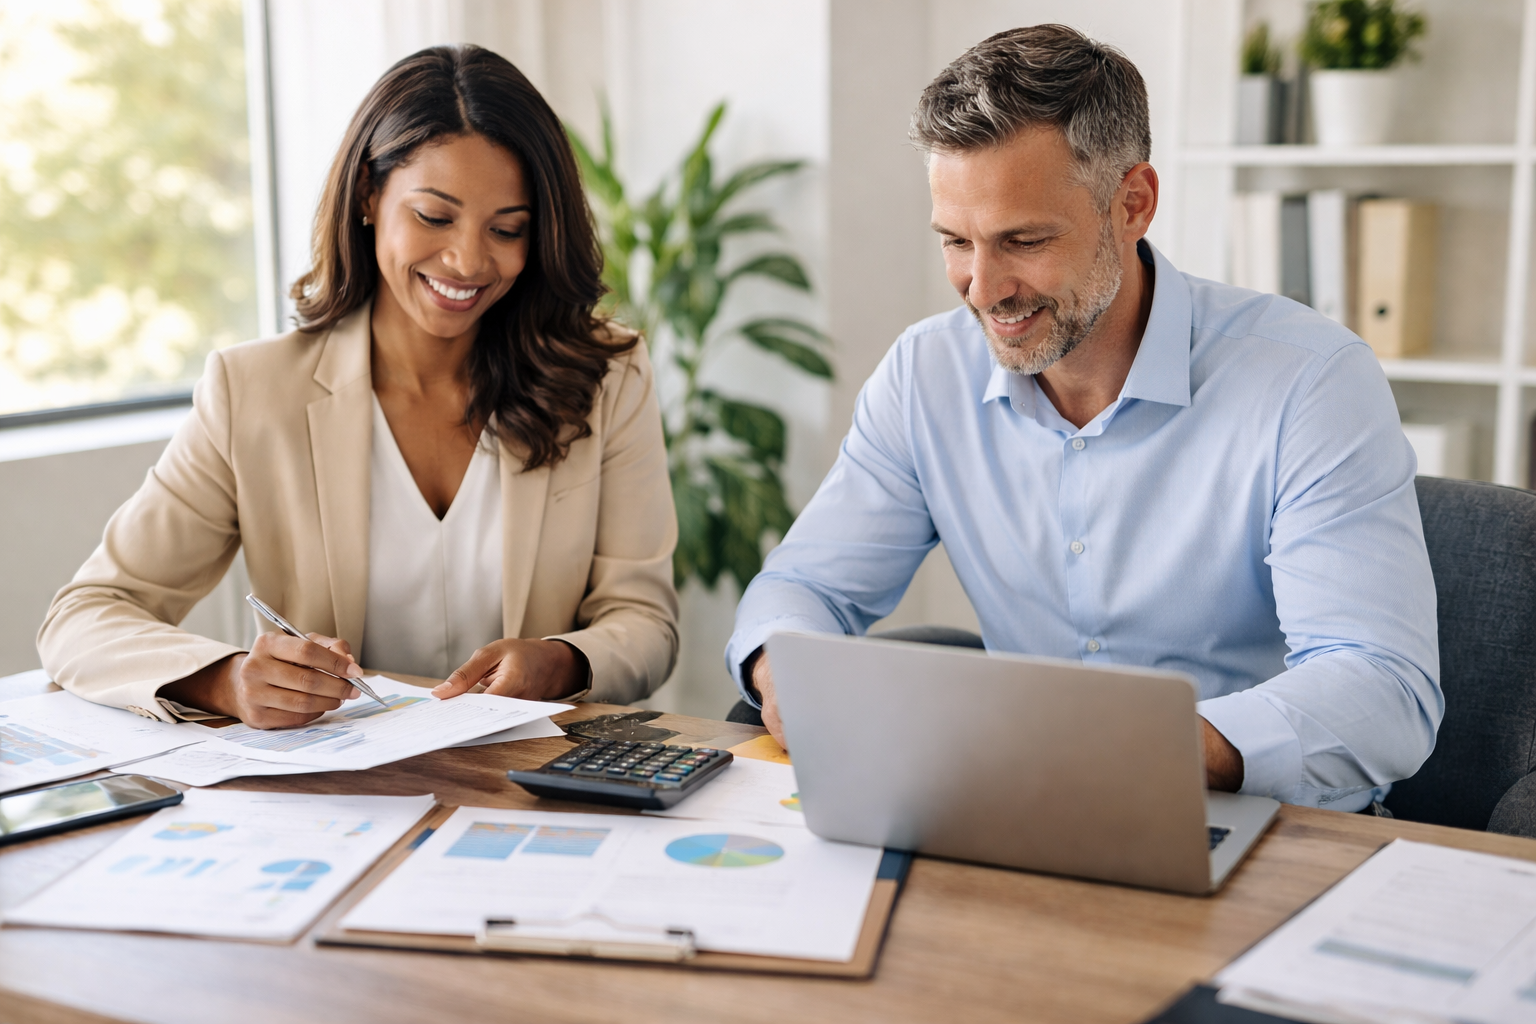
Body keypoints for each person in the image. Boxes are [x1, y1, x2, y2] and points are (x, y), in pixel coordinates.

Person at [726, 25, 1441, 812]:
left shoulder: (1308, 381)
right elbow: (805, 585)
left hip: (1259, 823)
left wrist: (1127, 748)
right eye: (956, 242)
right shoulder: (925, 374)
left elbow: (1384, 689)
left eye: (1023, 240)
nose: (983, 288)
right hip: (1019, 807)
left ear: (1132, 204)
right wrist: (785, 663)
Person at [38, 45, 678, 729]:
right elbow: (84, 616)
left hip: (533, 779)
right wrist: (225, 681)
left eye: (507, 229)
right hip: (342, 797)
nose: (468, 260)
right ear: (369, 197)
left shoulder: (607, 376)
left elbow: (644, 622)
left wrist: (564, 660)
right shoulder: (252, 392)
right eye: (434, 216)